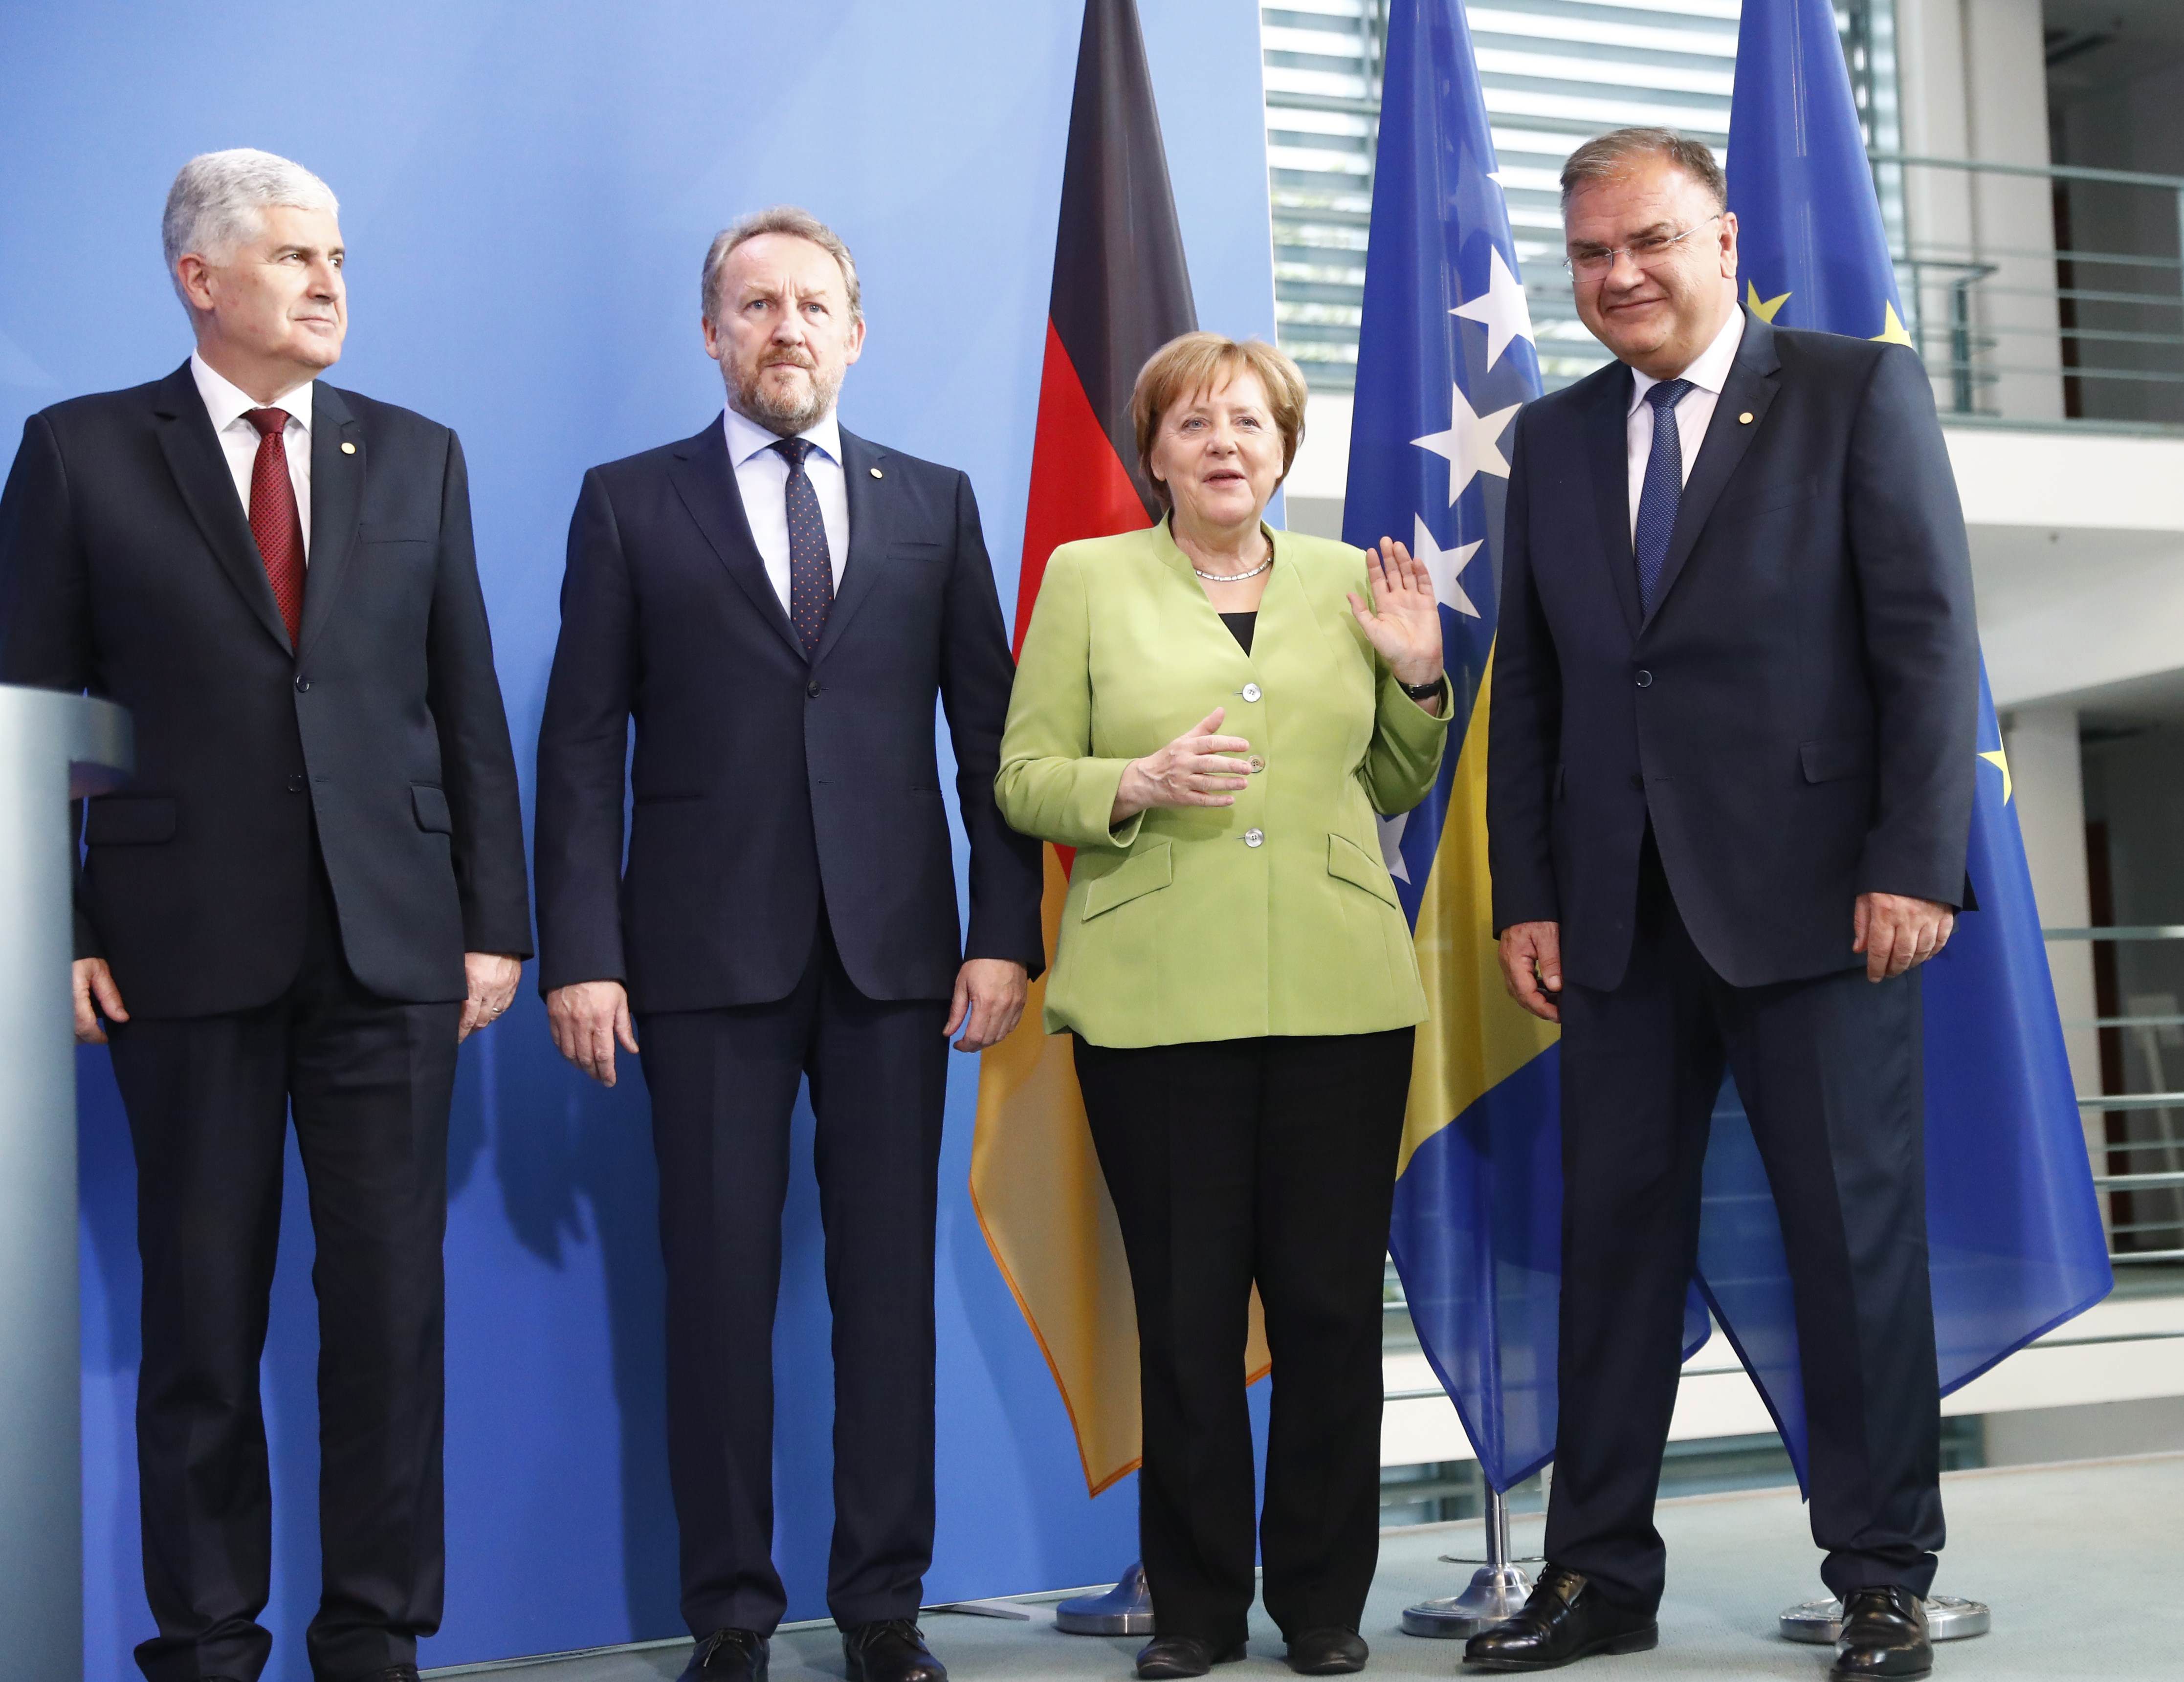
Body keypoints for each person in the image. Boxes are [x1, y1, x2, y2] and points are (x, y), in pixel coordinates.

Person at [0, 150, 532, 1682]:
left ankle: (374, 1635)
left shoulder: (416, 454)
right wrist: (55, 925)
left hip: (393, 945)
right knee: (200, 1314)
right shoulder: (82, 451)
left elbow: (465, 702)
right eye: (296, 257)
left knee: (390, 1312)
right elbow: (31, 715)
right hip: (177, 945)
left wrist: (491, 917)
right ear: (200, 279)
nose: (327, 285)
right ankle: (209, 1640)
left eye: (340, 259)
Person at [1475, 128, 1977, 1679]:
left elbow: (1925, 636)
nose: (1616, 275)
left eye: (1646, 242)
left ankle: (1881, 1572)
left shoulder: (1846, 389)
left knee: (1850, 1249)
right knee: (1610, 1252)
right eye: (1587, 254)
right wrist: (1530, 892)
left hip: (1822, 906)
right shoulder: (1551, 439)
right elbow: (1539, 689)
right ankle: (1594, 1574)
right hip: (1616, 922)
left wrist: (1912, 856)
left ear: (1721, 237)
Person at [532, 207, 1044, 1682]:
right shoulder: (629, 504)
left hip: (898, 963)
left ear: (856, 330)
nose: (786, 329)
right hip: (695, 964)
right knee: (715, 1295)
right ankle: (731, 1617)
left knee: (887, 1299)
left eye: (812, 304)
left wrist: (1002, 931)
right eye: (754, 305)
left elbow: (988, 742)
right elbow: (579, 748)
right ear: (712, 334)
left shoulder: (934, 503)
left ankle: (884, 1607)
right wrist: (584, 949)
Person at [996, 333, 1449, 1682]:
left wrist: (1420, 676)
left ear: (1282, 446)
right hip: (1153, 999)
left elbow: (1390, 776)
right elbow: (1023, 775)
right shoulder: (1087, 579)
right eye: (1193, 423)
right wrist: (1128, 783)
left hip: (1336, 991)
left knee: (1322, 1309)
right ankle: (1194, 1604)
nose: (1223, 443)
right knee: (1186, 1314)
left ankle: (1322, 1600)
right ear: (1154, 452)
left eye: (1249, 421)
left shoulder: (1348, 582)